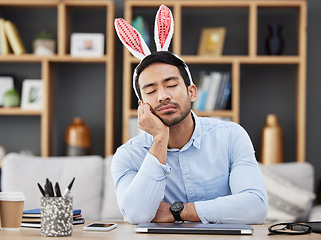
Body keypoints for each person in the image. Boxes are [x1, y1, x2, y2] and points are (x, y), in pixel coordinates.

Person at [112, 5, 268, 225]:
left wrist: (179, 212)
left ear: (191, 91)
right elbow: (137, 215)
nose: (162, 96)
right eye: (151, 90)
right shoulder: (127, 156)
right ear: (142, 105)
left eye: (171, 84)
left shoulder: (231, 136)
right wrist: (159, 139)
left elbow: (256, 207)